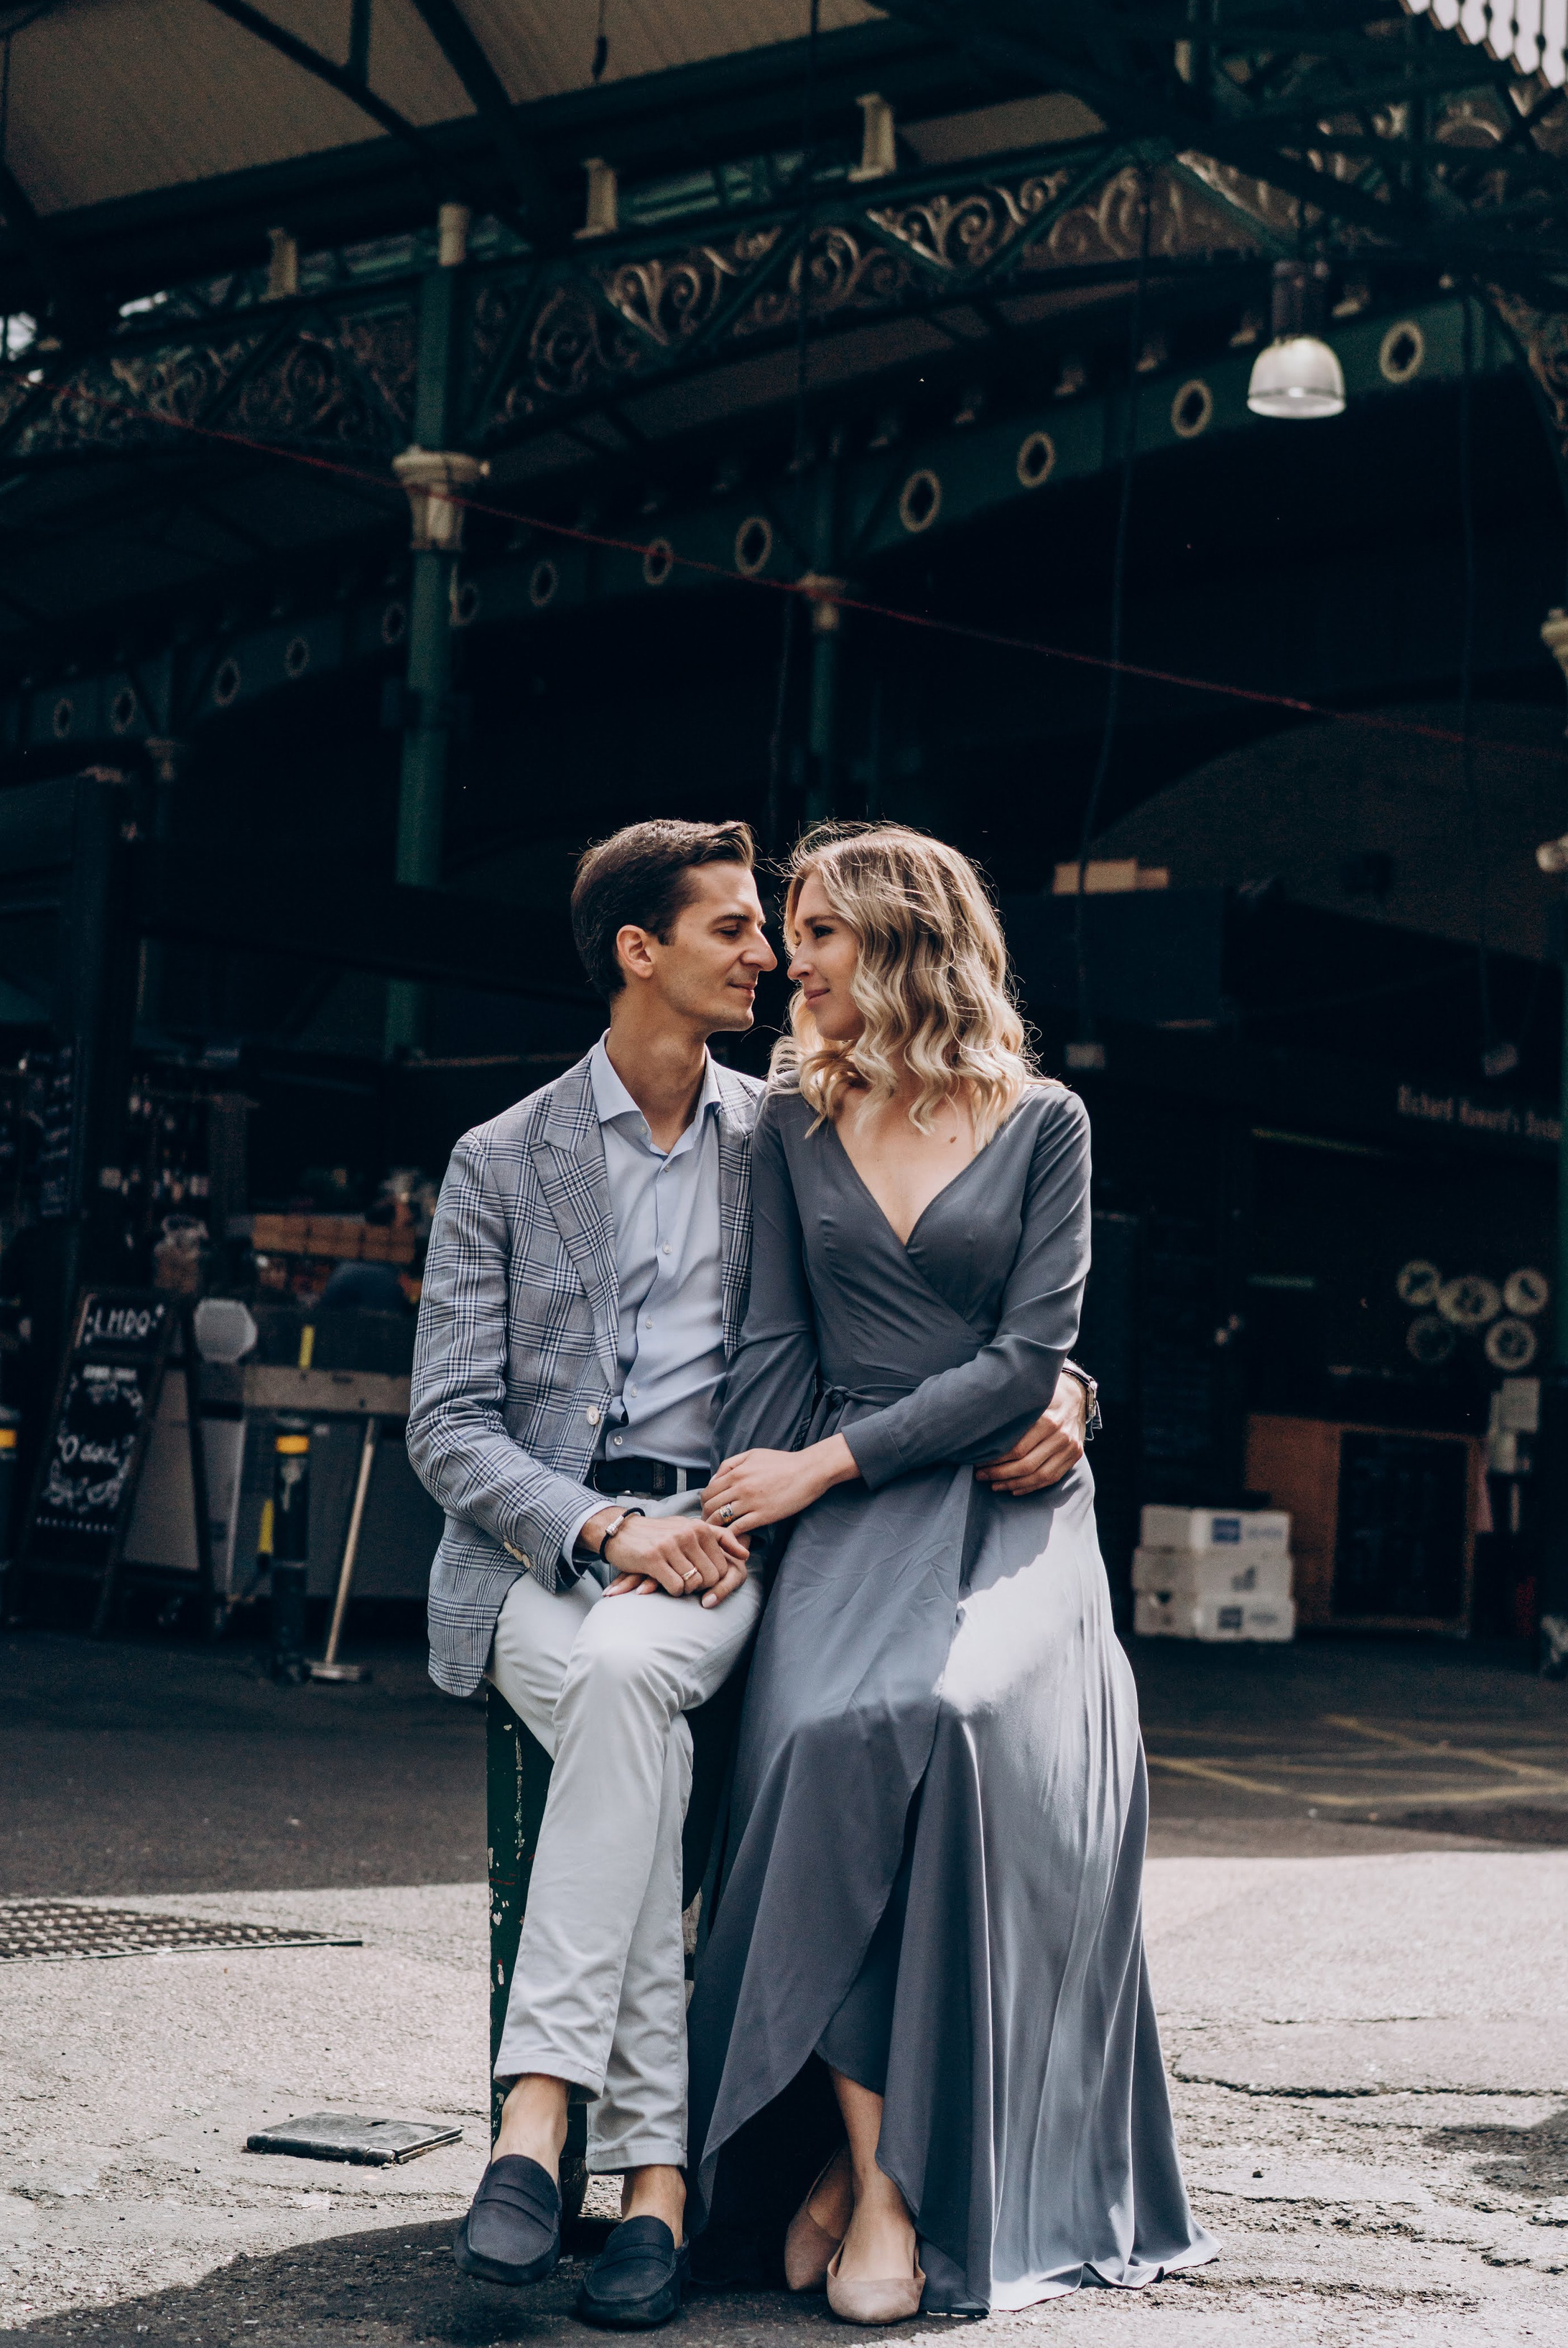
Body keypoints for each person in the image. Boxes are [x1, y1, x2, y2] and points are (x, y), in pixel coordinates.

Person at [406, 818, 1090, 2333]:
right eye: (736, 926)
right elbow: (446, 1424)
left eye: (789, 929)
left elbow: (948, 1315)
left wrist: (1058, 1386)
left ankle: (548, 2131)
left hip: (737, 1538)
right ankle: (641, 2163)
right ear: (637, 951)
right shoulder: (502, 1158)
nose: (771, 954)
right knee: (615, 1688)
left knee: (641, 1686)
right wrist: (604, 1529)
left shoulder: (771, 1119)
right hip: (569, 1549)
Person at [685, 822, 1215, 2321]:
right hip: (841, 1507)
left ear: (903, 939)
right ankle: (862, 2160)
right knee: (831, 1731)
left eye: (821, 930)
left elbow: (1025, 1360)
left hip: (1003, 1501)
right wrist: (748, 1511)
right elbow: (777, 1345)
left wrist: (835, 1461)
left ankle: (891, 2192)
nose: (794, 957)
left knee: (965, 1724)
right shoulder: (792, 1114)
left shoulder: (1044, 1118)